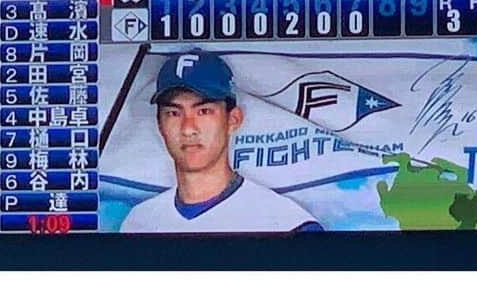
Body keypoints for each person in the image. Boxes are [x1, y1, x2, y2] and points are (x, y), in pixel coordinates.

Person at [120, 50, 324, 233]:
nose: (188, 128)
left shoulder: (289, 225)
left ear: (233, 119)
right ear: (160, 124)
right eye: (174, 113)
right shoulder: (139, 222)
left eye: (204, 111)